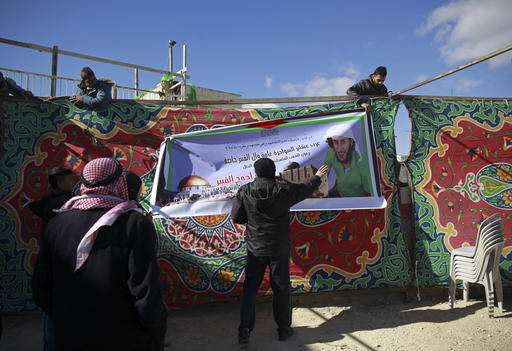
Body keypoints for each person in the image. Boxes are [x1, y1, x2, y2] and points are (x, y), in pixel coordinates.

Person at [32, 158, 166, 351]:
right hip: (121, 337)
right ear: (119, 183)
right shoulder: (134, 223)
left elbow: (40, 288)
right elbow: (145, 293)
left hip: (69, 337)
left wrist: (67, 319)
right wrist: (155, 334)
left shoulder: (57, 223)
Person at [231, 157, 328, 344]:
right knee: (281, 288)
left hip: (255, 248)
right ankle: (283, 329)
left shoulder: (245, 191)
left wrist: (253, 221)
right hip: (278, 247)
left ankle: (244, 329)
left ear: (256, 173)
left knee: (250, 289)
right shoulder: (283, 190)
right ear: (273, 171)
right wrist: (317, 177)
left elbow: (237, 217)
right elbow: (304, 189)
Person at [323, 124, 373, 197]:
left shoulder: (361, 162)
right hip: (338, 193)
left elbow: (370, 193)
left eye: (343, 142)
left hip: (357, 200)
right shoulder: (331, 152)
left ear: (351, 142)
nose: (339, 148)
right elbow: (324, 173)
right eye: (335, 142)